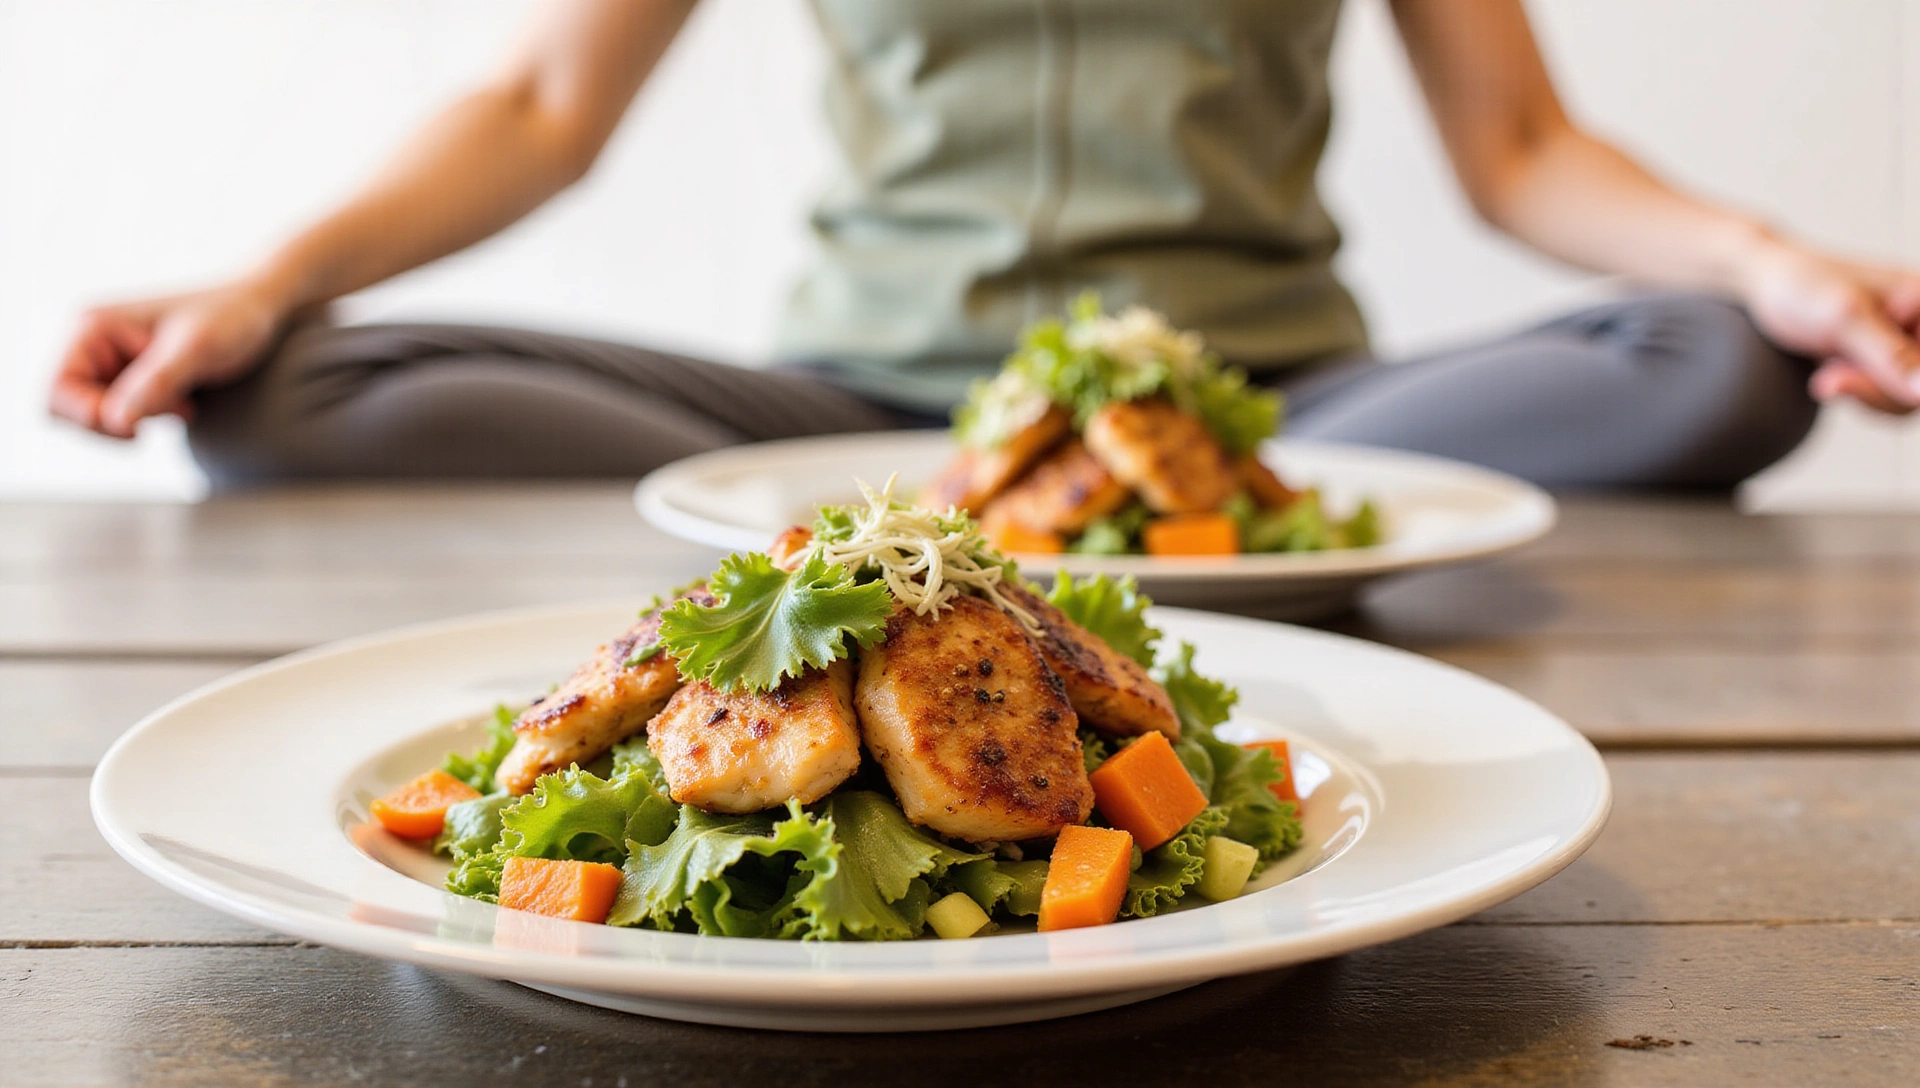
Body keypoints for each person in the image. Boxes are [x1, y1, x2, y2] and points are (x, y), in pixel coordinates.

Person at [46, 0, 1920, 488]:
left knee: (1728, 364)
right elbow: (541, 106)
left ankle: (1158, 524)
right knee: (281, 393)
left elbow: (1519, 149)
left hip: (1257, 417)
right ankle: (903, 520)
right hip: (861, 411)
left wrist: (1773, 261)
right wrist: (262, 278)